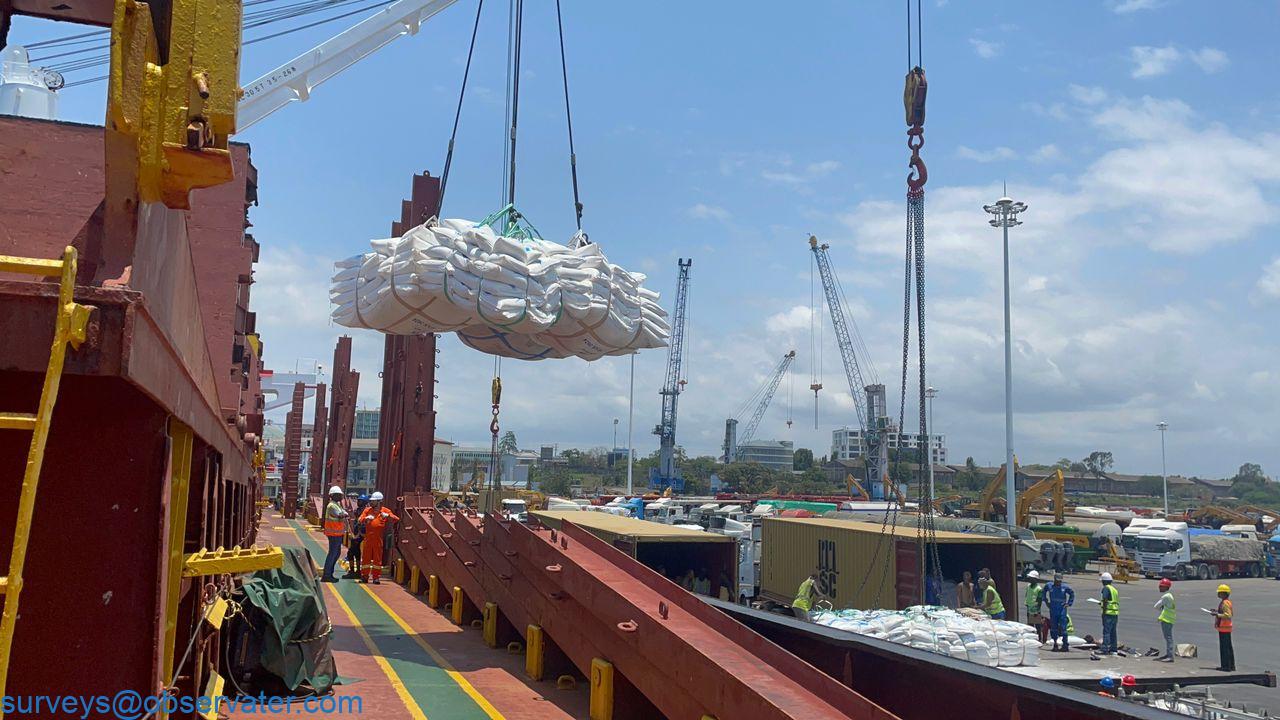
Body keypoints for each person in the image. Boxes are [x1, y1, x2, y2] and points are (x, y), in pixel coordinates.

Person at [357, 492, 399, 584]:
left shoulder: (385, 511)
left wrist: (388, 516)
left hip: (378, 539)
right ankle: (365, 576)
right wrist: (366, 519)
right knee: (365, 558)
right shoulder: (367, 510)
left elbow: (396, 519)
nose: (371, 503)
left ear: (379, 502)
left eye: (373, 501)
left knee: (377, 558)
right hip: (368, 538)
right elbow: (360, 520)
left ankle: (376, 577)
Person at [320, 486, 348, 582]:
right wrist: (344, 514)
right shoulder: (332, 505)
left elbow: (343, 513)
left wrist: (344, 513)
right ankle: (327, 575)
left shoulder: (337, 504)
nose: (340, 496)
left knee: (336, 553)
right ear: (332, 495)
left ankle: (329, 574)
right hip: (333, 533)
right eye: (338, 495)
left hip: (337, 533)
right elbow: (340, 514)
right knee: (333, 553)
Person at [1044, 573, 1076, 652]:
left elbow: (1072, 593)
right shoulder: (1049, 586)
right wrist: (1046, 601)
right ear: (1054, 580)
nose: (1058, 583)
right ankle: (1055, 644)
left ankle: (1065, 644)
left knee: (1063, 627)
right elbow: (1043, 591)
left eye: (1060, 581)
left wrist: (1069, 603)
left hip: (1062, 610)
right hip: (1053, 609)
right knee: (1053, 627)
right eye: (1057, 581)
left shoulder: (1064, 587)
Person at [344, 493, 369, 578]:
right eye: (358, 500)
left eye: (360, 501)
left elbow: (362, 525)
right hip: (356, 534)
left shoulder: (365, 511)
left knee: (351, 553)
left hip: (359, 535)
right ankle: (357, 571)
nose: (358, 502)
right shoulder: (358, 510)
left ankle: (353, 571)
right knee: (356, 552)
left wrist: (358, 535)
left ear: (365, 502)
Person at [1210, 583, 1234, 671]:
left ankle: (1226, 666)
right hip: (1226, 628)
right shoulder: (1226, 602)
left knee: (1224, 648)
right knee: (1228, 647)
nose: (1218, 594)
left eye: (1219, 592)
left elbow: (1228, 615)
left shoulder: (1225, 603)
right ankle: (1231, 666)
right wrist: (1216, 611)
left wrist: (1217, 614)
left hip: (1224, 627)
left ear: (1224, 593)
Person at [1153, 578, 1176, 662]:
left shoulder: (1166, 596)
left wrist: (1162, 609)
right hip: (1169, 619)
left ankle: (1170, 656)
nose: (1159, 587)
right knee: (1168, 637)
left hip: (1167, 619)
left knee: (1168, 638)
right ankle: (1168, 654)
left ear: (1166, 587)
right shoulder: (1170, 596)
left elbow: (1156, 606)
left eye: (1161, 586)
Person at [1099, 572, 1120, 655]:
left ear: (1104, 581)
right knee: (1113, 632)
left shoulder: (1106, 588)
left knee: (1106, 632)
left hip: (1108, 613)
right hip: (1115, 613)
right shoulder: (1114, 589)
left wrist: (1103, 612)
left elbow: (1105, 600)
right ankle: (1113, 649)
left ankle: (1104, 648)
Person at [1025, 571, 1047, 643]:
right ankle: (1031, 639)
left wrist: (1037, 610)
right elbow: (1027, 595)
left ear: (1035, 579)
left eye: (1031, 578)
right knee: (1030, 625)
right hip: (1029, 608)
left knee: (1037, 625)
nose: (1030, 579)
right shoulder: (1028, 586)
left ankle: (1039, 639)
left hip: (1035, 609)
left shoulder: (1038, 589)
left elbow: (1039, 600)